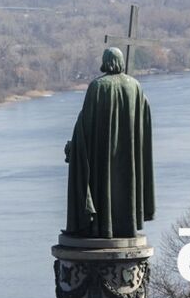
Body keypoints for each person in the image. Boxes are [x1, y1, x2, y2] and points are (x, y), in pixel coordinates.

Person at [65, 46, 154, 238]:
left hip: (102, 155)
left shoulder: (97, 87)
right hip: (129, 154)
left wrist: (75, 147)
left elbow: (85, 125)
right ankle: (126, 225)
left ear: (105, 62)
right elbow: (144, 118)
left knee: (102, 184)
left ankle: (101, 226)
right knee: (126, 184)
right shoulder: (135, 86)